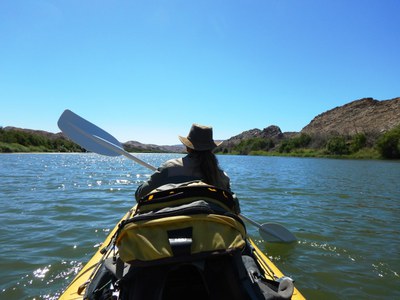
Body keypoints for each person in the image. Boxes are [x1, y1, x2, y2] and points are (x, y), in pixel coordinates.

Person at [135, 123, 231, 201]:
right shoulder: (222, 177)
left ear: (188, 147)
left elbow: (140, 194)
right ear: (211, 149)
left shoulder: (169, 168)